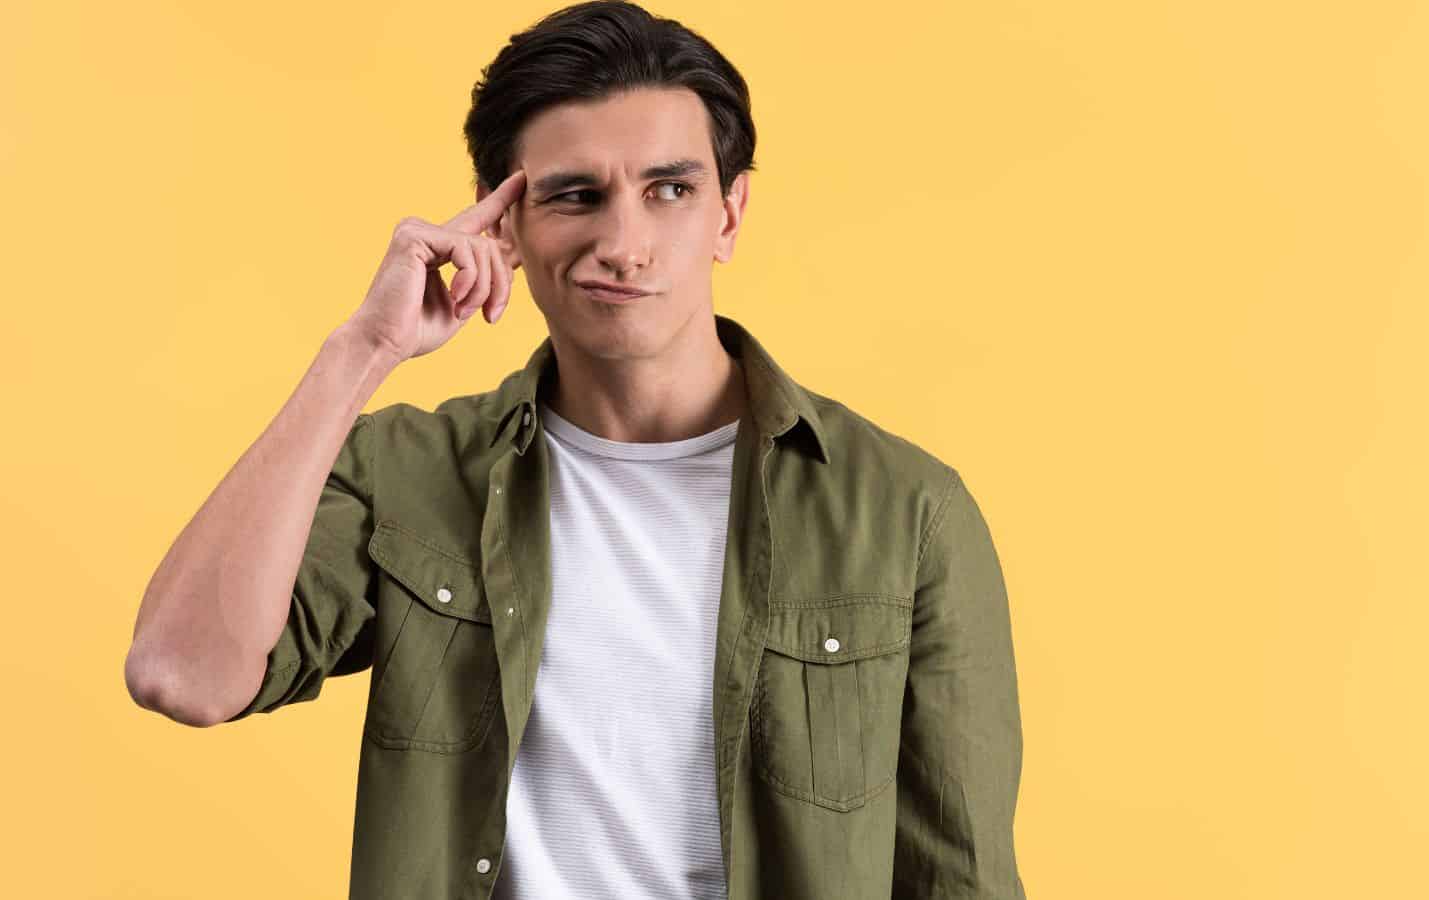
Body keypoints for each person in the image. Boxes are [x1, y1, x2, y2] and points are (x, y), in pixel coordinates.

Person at [123, 2, 1025, 898]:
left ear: (730, 212)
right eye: (574, 194)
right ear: (504, 226)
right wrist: (363, 351)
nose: (623, 245)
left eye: (670, 189)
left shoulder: (907, 513)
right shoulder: (409, 475)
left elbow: (960, 877)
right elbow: (181, 674)